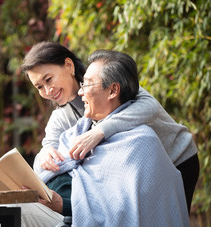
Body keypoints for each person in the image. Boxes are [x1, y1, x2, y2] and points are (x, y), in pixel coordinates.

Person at [21, 41, 199, 213]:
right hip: (138, 173)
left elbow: (149, 107)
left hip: (177, 158)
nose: (47, 90)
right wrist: (45, 154)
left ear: (69, 65)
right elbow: (48, 147)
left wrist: (100, 132)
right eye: (39, 87)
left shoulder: (105, 79)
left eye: (49, 79)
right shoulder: (60, 117)